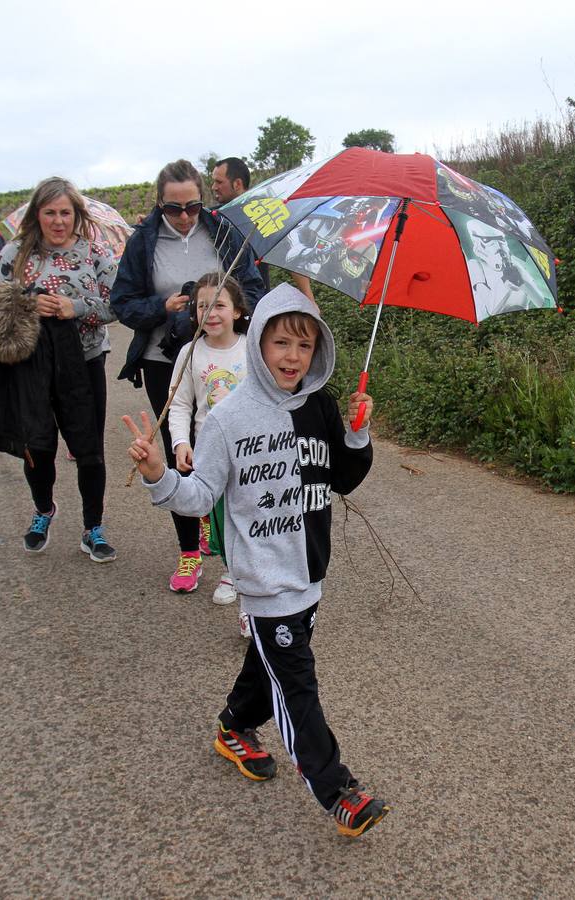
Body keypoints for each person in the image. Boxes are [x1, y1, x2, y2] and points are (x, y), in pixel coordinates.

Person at [124, 283, 390, 838]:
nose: (293, 357)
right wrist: (158, 475)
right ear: (258, 342)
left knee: (270, 666)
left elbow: (342, 479)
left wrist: (358, 434)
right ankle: (338, 791)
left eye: (306, 345)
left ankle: (233, 726)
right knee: (296, 685)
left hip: (309, 572)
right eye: (282, 342)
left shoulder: (318, 406)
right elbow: (199, 498)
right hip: (265, 581)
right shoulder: (229, 418)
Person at [111, 159, 265, 592]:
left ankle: (239, 559)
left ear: (203, 200)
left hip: (223, 356)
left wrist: (223, 308)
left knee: (236, 453)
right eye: (173, 209)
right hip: (167, 360)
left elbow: (254, 289)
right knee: (179, 452)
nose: (183, 217)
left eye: (192, 207)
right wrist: (163, 308)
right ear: (159, 204)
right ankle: (189, 552)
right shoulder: (143, 241)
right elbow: (122, 303)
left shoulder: (222, 230)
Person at [0, 176, 119, 562]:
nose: (58, 220)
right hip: (31, 367)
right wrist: (28, 304)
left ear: (76, 214)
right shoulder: (15, 254)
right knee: (37, 445)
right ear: (38, 214)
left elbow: (118, 305)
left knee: (89, 447)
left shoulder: (94, 253)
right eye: (50, 212)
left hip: (84, 362)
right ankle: (43, 510)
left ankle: (93, 527)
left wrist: (76, 308)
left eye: (65, 212)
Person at [167, 272, 250, 615]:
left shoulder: (253, 348)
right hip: (210, 452)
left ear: (237, 311)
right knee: (224, 519)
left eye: (219, 305)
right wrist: (180, 443)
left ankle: (248, 594)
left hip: (251, 451)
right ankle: (232, 571)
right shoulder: (189, 353)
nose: (211, 313)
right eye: (203, 306)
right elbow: (180, 404)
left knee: (249, 517)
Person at [211, 157, 315, 303]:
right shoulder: (212, 217)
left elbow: (290, 252)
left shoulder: (262, 212)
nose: (213, 187)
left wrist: (309, 299)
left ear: (237, 183)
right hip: (220, 305)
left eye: (219, 182)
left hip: (255, 302)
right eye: (214, 181)